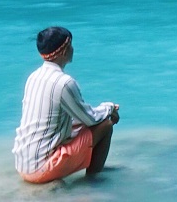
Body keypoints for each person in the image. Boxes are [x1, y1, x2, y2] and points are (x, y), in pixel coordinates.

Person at [12, 26, 121, 183]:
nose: (73, 49)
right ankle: (93, 182)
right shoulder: (64, 83)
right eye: (71, 46)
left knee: (82, 125)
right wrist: (109, 108)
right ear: (64, 51)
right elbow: (90, 118)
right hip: (39, 170)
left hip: (22, 164)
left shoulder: (33, 77)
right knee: (105, 124)